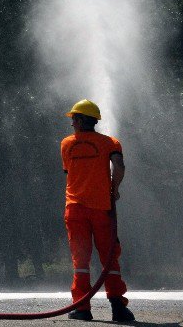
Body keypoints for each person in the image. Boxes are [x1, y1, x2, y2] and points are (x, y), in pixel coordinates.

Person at [61, 99, 134, 322]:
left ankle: (82, 308)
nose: (72, 123)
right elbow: (119, 166)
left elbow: (69, 172)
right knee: (110, 258)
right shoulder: (110, 142)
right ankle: (118, 307)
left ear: (81, 120)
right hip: (102, 209)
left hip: (75, 210)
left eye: (74, 119)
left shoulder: (66, 144)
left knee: (80, 261)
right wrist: (114, 190)